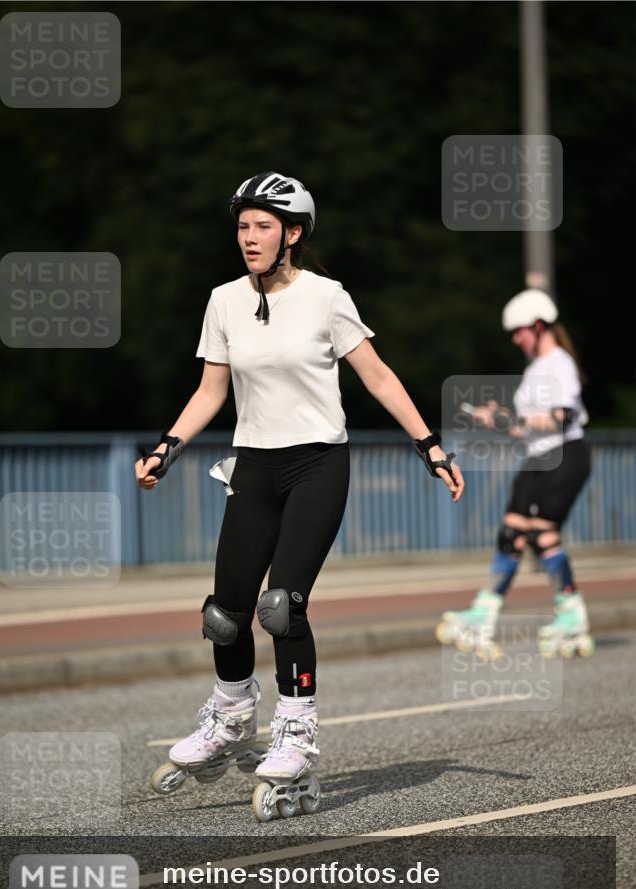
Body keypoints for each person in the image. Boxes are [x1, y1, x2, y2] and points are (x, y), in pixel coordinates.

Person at [137, 171, 464, 820]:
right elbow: (211, 391)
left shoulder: (326, 297)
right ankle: (230, 718)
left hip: (317, 463)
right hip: (253, 465)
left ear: (292, 234)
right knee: (223, 613)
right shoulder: (224, 301)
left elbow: (376, 375)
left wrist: (429, 445)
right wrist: (165, 448)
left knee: (281, 605)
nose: (248, 238)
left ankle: (294, 729)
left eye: (261, 227)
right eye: (241, 226)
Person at [436, 288, 594, 659]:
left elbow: (563, 417)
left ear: (539, 326)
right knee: (512, 532)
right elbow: (528, 427)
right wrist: (498, 419)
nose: (515, 337)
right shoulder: (536, 367)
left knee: (542, 533)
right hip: (538, 457)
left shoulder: (559, 363)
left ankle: (572, 613)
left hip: (565, 456)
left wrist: (511, 417)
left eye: (520, 330)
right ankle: (484, 613)